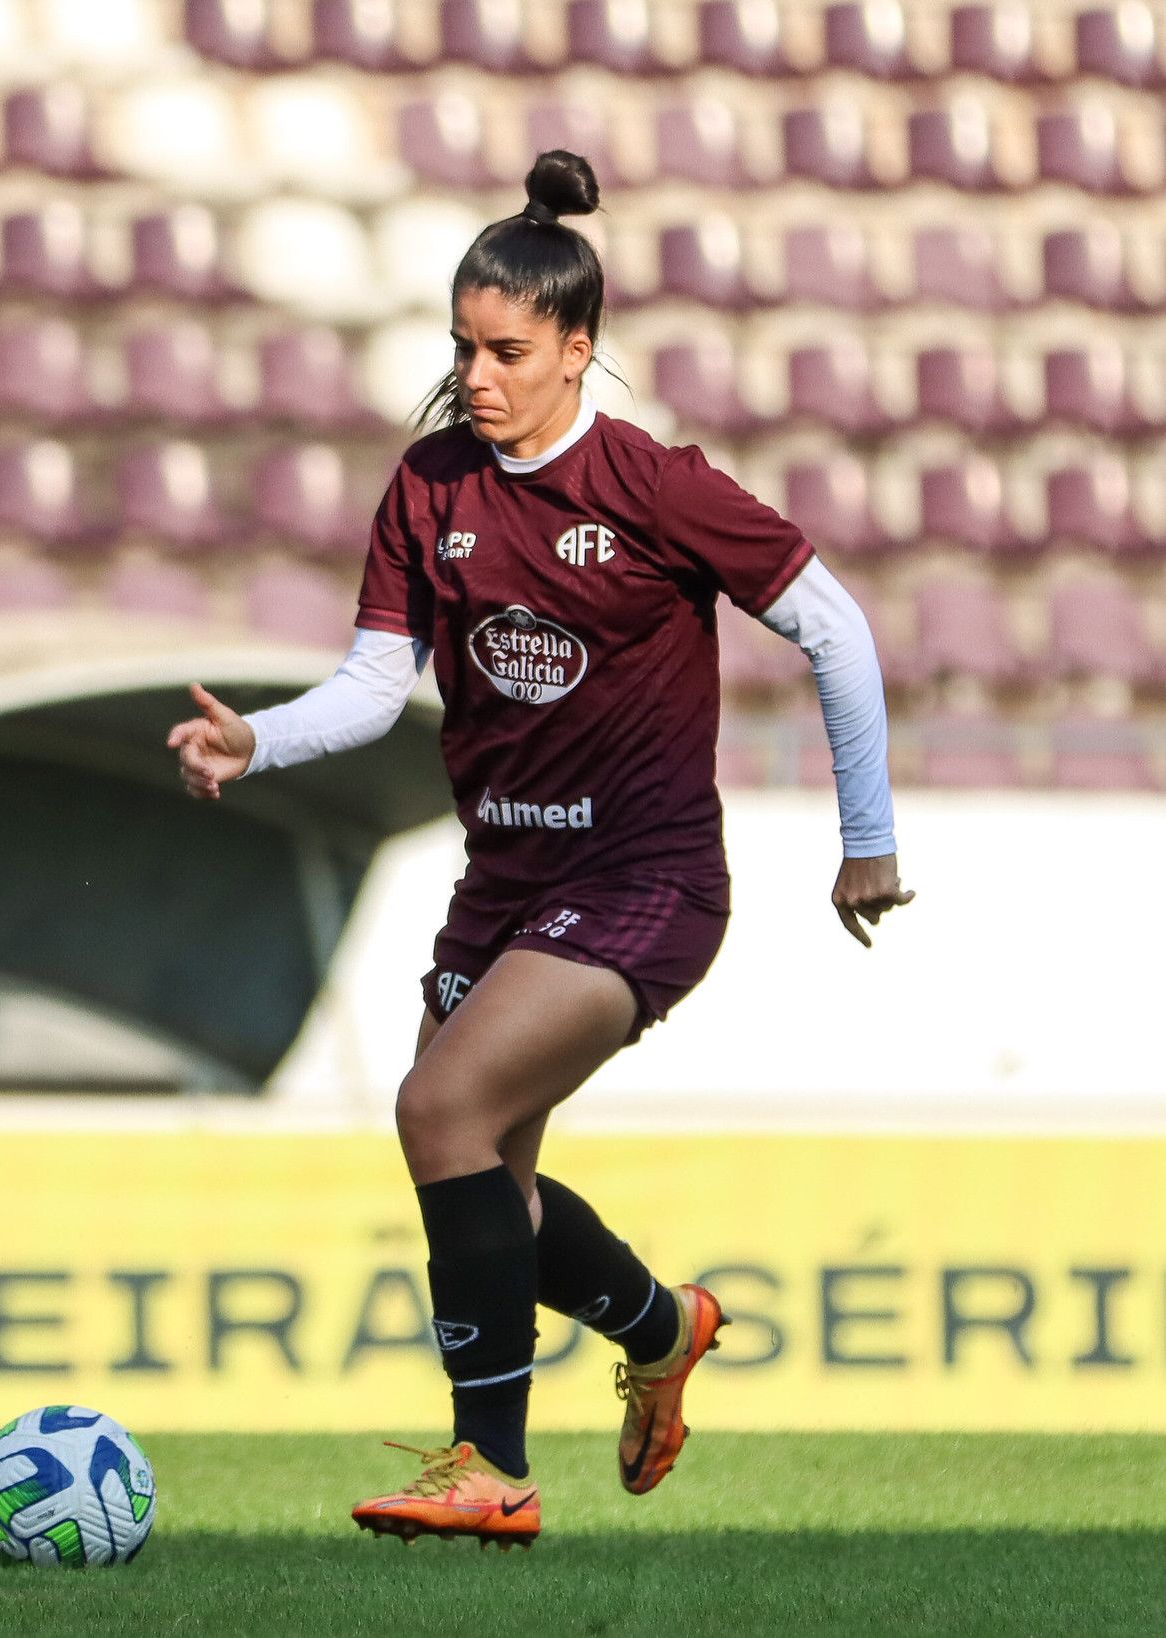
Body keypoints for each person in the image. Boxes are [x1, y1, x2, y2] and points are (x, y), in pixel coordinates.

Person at [168, 151, 912, 1548]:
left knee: (436, 1112)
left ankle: (491, 1465)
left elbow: (836, 626)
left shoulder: (652, 484)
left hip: (645, 881)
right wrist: (255, 739)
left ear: (580, 348)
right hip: (499, 889)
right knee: (485, 1176)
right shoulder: (427, 488)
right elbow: (374, 687)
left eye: (507, 349)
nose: (478, 374)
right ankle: (661, 1323)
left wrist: (864, 840)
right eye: (462, 346)